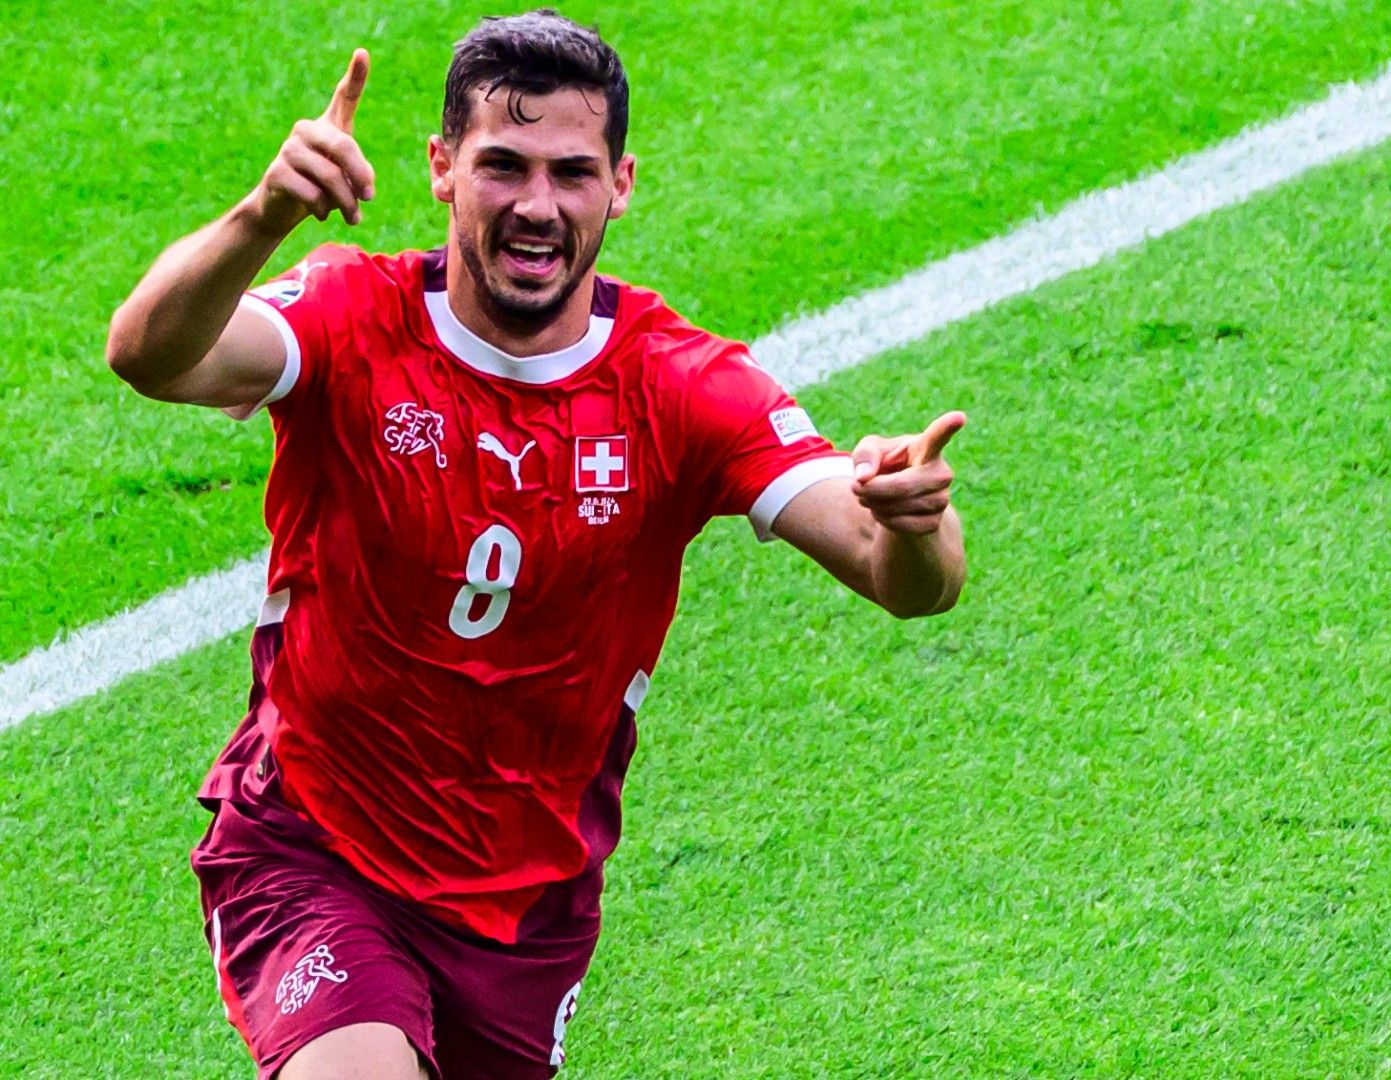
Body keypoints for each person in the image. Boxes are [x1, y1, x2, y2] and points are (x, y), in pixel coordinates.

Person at [105, 11, 965, 1078]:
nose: (537, 206)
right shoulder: (350, 316)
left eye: (572, 173)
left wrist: (913, 518)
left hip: (525, 913)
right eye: (503, 166)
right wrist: (264, 213)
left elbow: (903, 579)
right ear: (442, 169)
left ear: (621, 185)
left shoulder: (680, 387)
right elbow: (149, 354)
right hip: (314, 845)